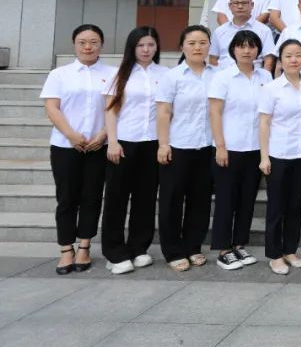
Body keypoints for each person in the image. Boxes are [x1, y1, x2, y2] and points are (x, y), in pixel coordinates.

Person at [41, 24, 117, 275]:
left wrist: (103, 135)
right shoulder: (59, 74)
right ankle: (66, 249)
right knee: (66, 198)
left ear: (101, 45)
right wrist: (71, 135)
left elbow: (116, 108)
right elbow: (52, 107)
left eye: (94, 42)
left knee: (91, 196)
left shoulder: (112, 73)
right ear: (74, 44)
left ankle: (84, 246)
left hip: (98, 145)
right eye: (82, 42)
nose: (88, 47)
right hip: (65, 146)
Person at [102, 26, 166, 274]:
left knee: (146, 198)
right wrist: (113, 141)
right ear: (132, 47)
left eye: (151, 44)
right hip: (124, 142)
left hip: (152, 143)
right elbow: (110, 111)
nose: (146, 49)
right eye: (141, 45)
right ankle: (114, 252)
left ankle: (139, 248)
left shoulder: (165, 74)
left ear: (157, 47)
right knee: (116, 198)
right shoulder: (119, 74)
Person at [207, 29, 272, 271]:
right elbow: (215, 112)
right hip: (229, 147)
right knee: (226, 199)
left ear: (258, 50)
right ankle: (223, 249)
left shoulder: (265, 76)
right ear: (233, 49)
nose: (247, 51)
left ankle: (239, 243)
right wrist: (220, 146)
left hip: (255, 147)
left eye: (252, 46)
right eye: (241, 46)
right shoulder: (223, 77)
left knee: (247, 199)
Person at [155, 25, 217, 272]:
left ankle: (193, 246)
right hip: (178, 145)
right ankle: (173, 250)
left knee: (200, 200)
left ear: (209, 46)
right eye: (191, 43)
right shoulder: (173, 77)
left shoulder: (217, 75)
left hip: (207, 145)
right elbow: (163, 111)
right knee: (172, 199)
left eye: (202, 42)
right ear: (181, 47)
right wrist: (163, 144)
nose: (197, 47)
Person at [258, 38, 301, 275]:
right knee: (276, 207)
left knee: (295, 206)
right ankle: (274, 255)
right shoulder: (272, 88)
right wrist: (264, 157)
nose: (294, 60)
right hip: (279, 154)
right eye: (288, 56)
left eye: (298, 55)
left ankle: (290, 249)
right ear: (280, 60)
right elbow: (264, 123)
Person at [209, 0, 274, 70]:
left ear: (252, 5)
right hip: (223, 75)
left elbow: (269, 61)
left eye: (244, 3)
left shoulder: (264, 30)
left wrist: (263, 76)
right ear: (230, 6)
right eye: (236, 3)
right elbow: (213, 59)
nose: (240, 6)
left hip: (252, 75)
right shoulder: (219, 31)